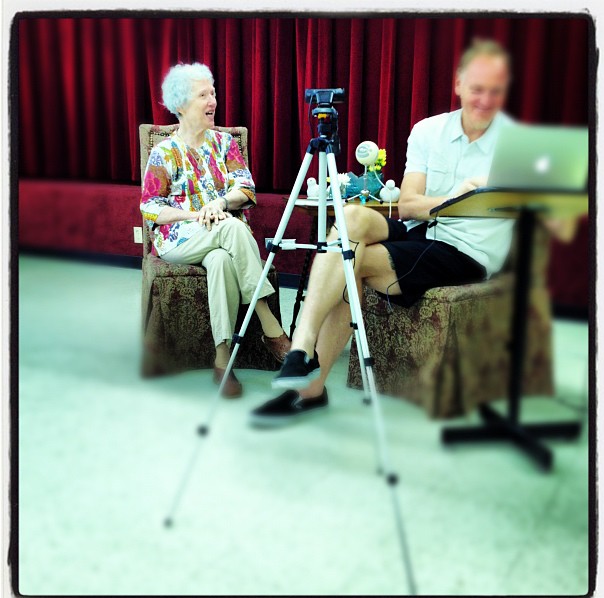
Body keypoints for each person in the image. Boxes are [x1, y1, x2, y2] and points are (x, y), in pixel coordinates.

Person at [250, 39, 515, 426]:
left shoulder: (515, 144)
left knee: (348, 258)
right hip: (419, 230)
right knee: (352, 218)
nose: (485, 100)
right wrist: (455, 198)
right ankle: (302, 347)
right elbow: (408, 205)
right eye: (477, 88)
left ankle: (309, 389)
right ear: (459, 84)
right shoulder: (428, 131)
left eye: (495, 91)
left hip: (465, 251)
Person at [140, 62, 290, 398]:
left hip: (221, 233)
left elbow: (247, 190)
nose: (213, 101)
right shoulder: (163, 152)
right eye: (203, 95)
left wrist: (219, 204)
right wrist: (194, 214)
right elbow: (149, 205)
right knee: (233, 230)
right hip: (178, 238)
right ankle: (270, 325)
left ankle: (222, 360)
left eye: (214, 93)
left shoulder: (224, 144)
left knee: (222, 258)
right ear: (181, 105)